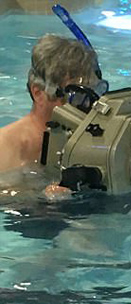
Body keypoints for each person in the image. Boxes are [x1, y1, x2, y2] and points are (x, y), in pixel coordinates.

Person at [0, 34, 105, 197]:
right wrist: (40, 199)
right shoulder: (4, 147)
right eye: (76, 97)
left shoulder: (97, 138)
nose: (87, 106)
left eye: (93, 93)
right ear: (38, 93)